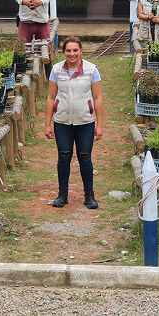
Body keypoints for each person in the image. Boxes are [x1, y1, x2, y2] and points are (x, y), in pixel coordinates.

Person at [44, 37, 103, 210]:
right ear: (64, 52)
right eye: (68, 51)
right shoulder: (56, 70)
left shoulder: (91, 70)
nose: (72, 54)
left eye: (75, 50)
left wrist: (99, 125)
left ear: (81, 51)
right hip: (62, 121)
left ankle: (89, 195)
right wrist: (47, 124)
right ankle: (62, 194)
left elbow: (98, 98)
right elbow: (50, 97)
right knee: (64, 156)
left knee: (85, 156)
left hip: (85, 121)